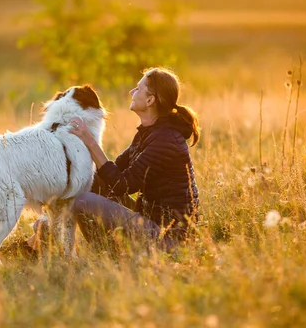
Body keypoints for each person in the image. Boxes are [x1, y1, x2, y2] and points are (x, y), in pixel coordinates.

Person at [29, 67, 200, 253]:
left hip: (168, 238)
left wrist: (90, 142)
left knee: (83, 199)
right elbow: (111, 174)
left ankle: (107, 251)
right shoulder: (150, 132)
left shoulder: (165, 139)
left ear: (150, 100)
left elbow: (122, 185)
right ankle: (43, 234)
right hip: (149, 219)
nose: (131, 92)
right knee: (90, 181)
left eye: (138, 89)